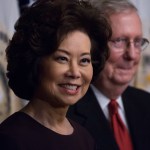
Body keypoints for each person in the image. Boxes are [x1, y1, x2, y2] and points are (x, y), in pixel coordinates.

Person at [0, 0, 111, 149]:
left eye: (84, 60)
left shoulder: (85, 138)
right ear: (34, 61)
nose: (75, 72)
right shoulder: (10, 139)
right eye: (62, 58)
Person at [67, 0, 150, 150]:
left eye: (137, 42)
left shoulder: (146, 103)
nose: (132, 55)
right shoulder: (65, 114)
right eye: (119, 41)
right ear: (92, 46)